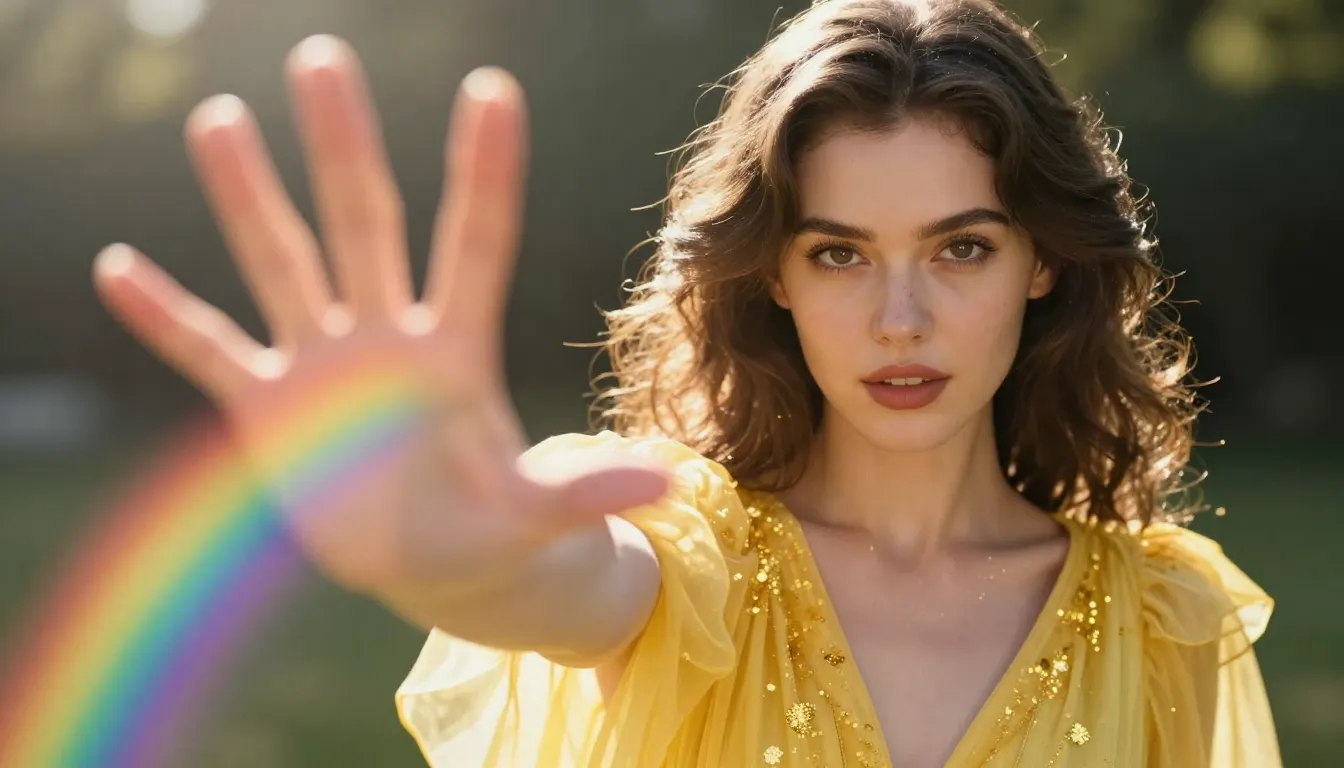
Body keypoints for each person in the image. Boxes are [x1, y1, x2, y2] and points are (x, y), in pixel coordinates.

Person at [91, 0, 1282, 765]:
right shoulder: (683, 558)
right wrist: (448, 552)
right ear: (771, 275)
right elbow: (560, 583)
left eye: (961, 247)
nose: (901, 318)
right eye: (839, 253)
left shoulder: (1164, 622)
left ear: (1040, 263)